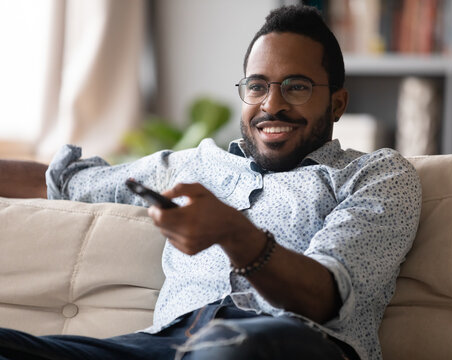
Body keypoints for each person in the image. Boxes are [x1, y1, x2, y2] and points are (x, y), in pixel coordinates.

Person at [0, 5, 421, 360]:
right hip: (163, 346)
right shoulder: (195, 165)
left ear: (337, 103)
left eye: (296, 87)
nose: (271, 105)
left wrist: (234, 233)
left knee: (228, 350)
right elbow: (60, 182)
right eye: (257, 86)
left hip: (284, 342)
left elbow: (325, 297)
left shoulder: (376, 175)